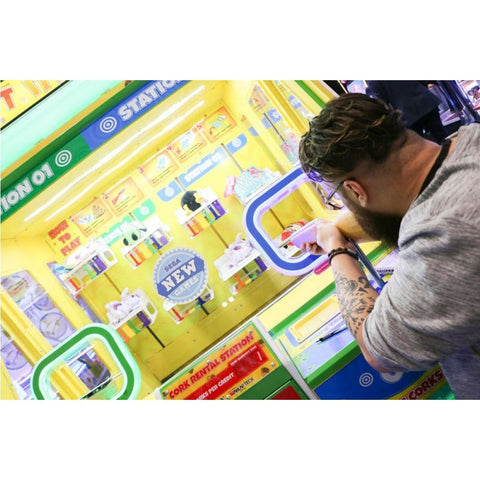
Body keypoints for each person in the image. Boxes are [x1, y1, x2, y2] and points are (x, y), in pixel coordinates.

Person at [298, 93, 480, 399]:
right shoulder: (470, 142)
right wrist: (342, 227)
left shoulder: (444, 240)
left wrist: (336, 247)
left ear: (355, 190)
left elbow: (378, 350)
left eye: (340, 198)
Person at [366, 80, 448, 143]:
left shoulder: (373, 80)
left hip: (407, 113)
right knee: (442, 137)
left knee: (419, 146)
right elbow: (423, 81)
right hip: (425, 100)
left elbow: (382, 101)